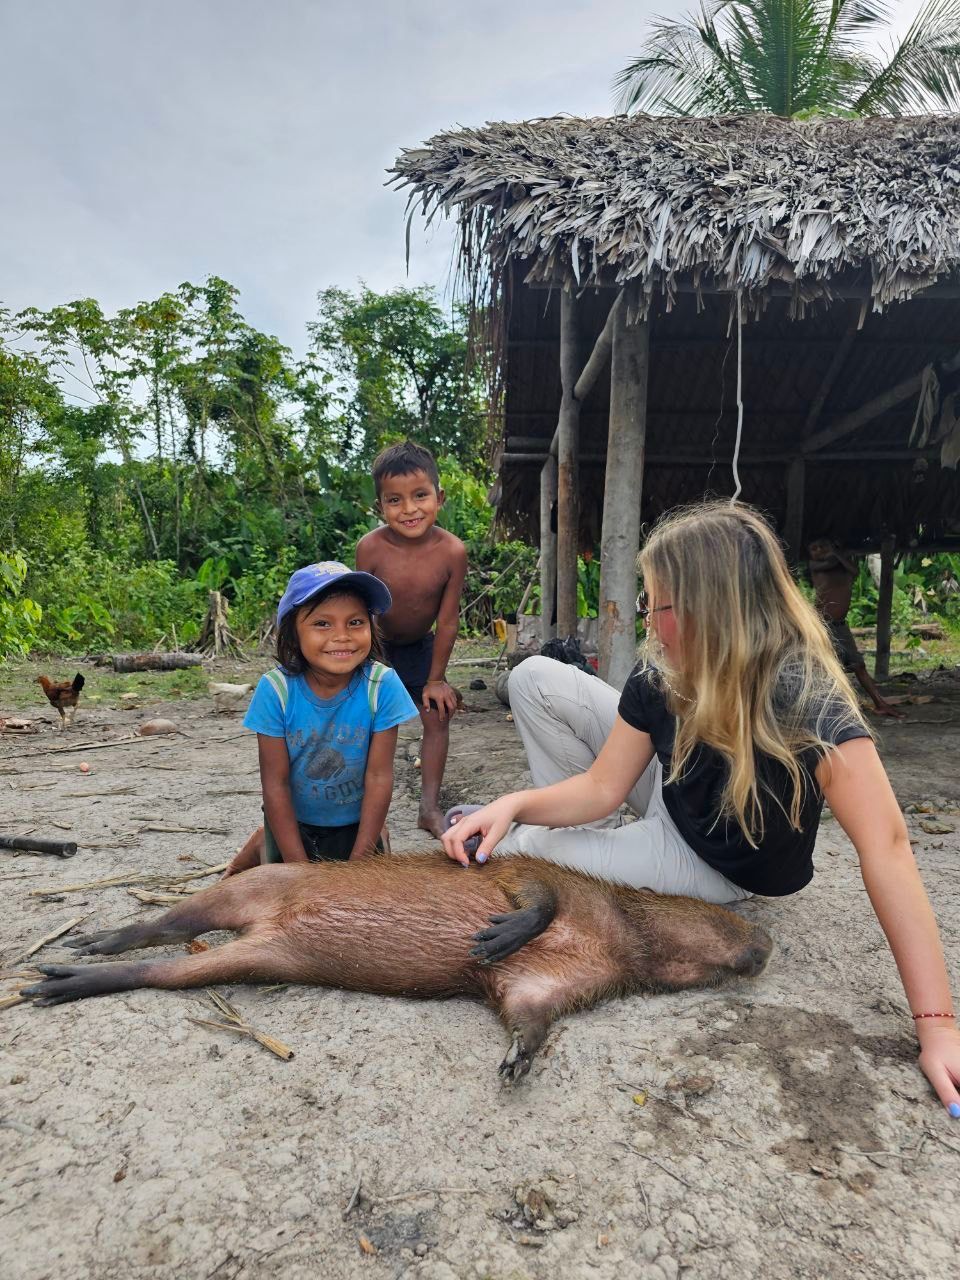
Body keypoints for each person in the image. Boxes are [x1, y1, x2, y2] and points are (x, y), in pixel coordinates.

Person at [443, 502, 960, 1117]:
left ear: (710, 611)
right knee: (533, 678)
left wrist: (938, 1025)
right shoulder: (660, 675)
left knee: (522, 855)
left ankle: (589, 860)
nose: (649, 619)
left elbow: (889, 848)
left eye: (658, 606)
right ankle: (595, 853)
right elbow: (604, 787)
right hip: (676, 796)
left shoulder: (802, 697)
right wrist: (516, 803)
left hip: (719, 864)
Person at [223, 562, 418, 875]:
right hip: (292, 824)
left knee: (367, 900)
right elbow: (276, 784)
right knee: (284, 900)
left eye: (355, 622)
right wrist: (298, 869)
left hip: (355, 825)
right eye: (322, 624)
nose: (341, 636)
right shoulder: (276, 691)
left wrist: (362, 856)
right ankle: (265, 842)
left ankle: (376, 838)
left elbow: (379, 777)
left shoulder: (382, 686)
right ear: (292, 633)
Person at [356, 440, 468, 839]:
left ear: (439, 497)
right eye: (394, 500)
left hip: (421, 650)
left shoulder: (452, 551)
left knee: (437, 716)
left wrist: (436, 679)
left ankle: (429, 808)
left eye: (419, 496)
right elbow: (362, 613)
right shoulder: (370, 548)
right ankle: (364, 811)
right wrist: (369, 668)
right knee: (364, 723)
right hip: (375, 650)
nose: (409, 509)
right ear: (380, 506)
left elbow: (448, 620)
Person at [807, 537, 904, 719]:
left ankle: (880, 703)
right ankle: (825, 709)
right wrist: (833, 553)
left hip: (840, 626)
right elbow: (831, 565)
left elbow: (855, 570)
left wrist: (835, 553)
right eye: (814, 548)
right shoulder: (815, 566)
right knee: (822, 667)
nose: (818, 551)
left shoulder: (845, 570)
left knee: (858, 665)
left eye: (822, 547)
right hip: (821, 625)